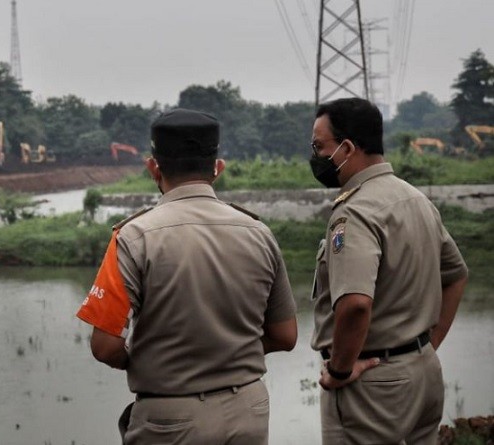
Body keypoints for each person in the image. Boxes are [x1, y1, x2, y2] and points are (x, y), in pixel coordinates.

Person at [76, 108, 297, 444]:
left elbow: (105, 347)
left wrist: (144, 362)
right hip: (249, 410)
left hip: (170, 419)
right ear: (218, 168)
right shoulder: (259, 233)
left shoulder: (134, 237)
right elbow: (285, 335)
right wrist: (228, 355)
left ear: (153, 167)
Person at [309, 97, 469, 444]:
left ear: (347, 148)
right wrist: (427, 345)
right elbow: (456, 275)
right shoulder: (415, 199)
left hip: (372, 384)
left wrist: (339, 370)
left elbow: (355, 304)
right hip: (422, 372)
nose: (316, 156)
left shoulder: (355, 212)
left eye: (320, 147)